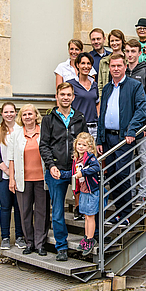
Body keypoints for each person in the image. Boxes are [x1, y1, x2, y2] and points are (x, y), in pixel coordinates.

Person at [39, 83, 89, 261]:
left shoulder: (80, 117)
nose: (66, 97)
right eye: (63, 94)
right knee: (58, 210)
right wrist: (50, 165)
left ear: (73, 97)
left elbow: (86, 142)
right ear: (57, 96)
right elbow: (43, 145)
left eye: (69, 94)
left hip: (77, 169)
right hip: (56, 170)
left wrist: (84, 164)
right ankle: (61, 246)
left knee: (87, 207)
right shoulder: (48, 119)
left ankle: (89, 241)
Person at [97, 54, 146, 227]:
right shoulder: (107, 89)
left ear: (125, 66)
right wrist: (99, 139)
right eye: (113, 66)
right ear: (109, 68)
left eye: (119, 65)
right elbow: (101, 114)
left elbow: (141, 110)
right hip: (108, 138)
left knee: (123, 174)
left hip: (124, 138)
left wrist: (131, 130)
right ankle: (118, 212)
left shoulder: (134, 86)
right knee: (111, 175)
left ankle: (125, 214)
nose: (116, 69)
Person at [7, 104, 47, 256]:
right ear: (21, 117)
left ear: (36, 115)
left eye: (30, 114)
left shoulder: (43, 131)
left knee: (41, 212)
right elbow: (11, 159)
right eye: (24, 115)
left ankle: (40, 244)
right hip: (23, 179)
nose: (28, 117)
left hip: (42, 178)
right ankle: (29, 242)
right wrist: (12, 179)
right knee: (25, 212)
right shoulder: (15, 135)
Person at [0, 102, 25, 250]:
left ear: (16, 113)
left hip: (20, 175)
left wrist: (16, 172)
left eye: (12, 111)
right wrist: (7, 170)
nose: (9, 114)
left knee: (19, 206)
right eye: (6, 112)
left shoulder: (21, 130)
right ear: (2, 114)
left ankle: (20, 237)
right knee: (5, 207)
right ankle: (5, 238)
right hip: (2, 176)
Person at [67, 52, 99, 221]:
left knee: (91, 169)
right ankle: (78, 206)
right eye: (83, 63)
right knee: (78, 169)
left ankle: (90, 205)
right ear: (77, 65)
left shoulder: (94, 85)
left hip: (93, 128)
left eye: (89, 63)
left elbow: (97, 105)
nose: (86, 66)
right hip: (79, 129)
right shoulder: (71, 85)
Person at [125, 39, 146, 204]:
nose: (130, 54)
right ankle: (130, 191)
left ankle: (142, 192)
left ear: (139, 53)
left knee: (143, 157)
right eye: (127, 51)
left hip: (141, 124)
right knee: (129, 160)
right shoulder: (121, 72)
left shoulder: (145, 73)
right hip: (126, 125)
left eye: (133, 51)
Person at [62, 132, 101, 256]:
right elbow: (73, 173)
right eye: (79, 144)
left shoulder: (90, 158)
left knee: (90, 216)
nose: (80, 147)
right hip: (83, 191)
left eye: (84, 145)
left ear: (89, 147)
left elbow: (96, 168)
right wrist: (61, 174)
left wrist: (83, 173)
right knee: (86, 216)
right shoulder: (76, 159)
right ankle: (86, 236)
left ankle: (90, 238)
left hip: (91, 191)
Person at [97, 29, 126, 98]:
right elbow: (100, 85)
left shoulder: (128, 60)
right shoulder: (103, 61)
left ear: (122, 41)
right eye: (112, 41)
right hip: (108, 96)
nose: (114, 43)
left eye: (117, 40)